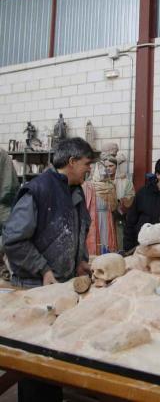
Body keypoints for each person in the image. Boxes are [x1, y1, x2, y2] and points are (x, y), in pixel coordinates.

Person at [3, 137, 95, 402]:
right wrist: (43, 269)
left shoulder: (74, 190)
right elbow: (13, 240)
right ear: (72, 161)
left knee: (53, 360)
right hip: (36, 288)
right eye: (87, 163)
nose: (89, 169)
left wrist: (79, 261)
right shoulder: (38, 190)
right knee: (34, 364)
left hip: (61, 288)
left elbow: (75, 232)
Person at [83, 154, 135, 254]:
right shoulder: (92, 184)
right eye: (105, 167)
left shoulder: (125, 182)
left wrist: (120, 202)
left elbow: (131, 199)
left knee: (116, 242)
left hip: (118, 218)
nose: (108, 169)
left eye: (111, 166)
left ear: (116, 167)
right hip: (99, 217)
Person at [0, 149, 19, 279]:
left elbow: (10, 188)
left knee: (9, 240)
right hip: (6, 203)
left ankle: (9, 271)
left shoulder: (2, 155)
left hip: (4, 204)